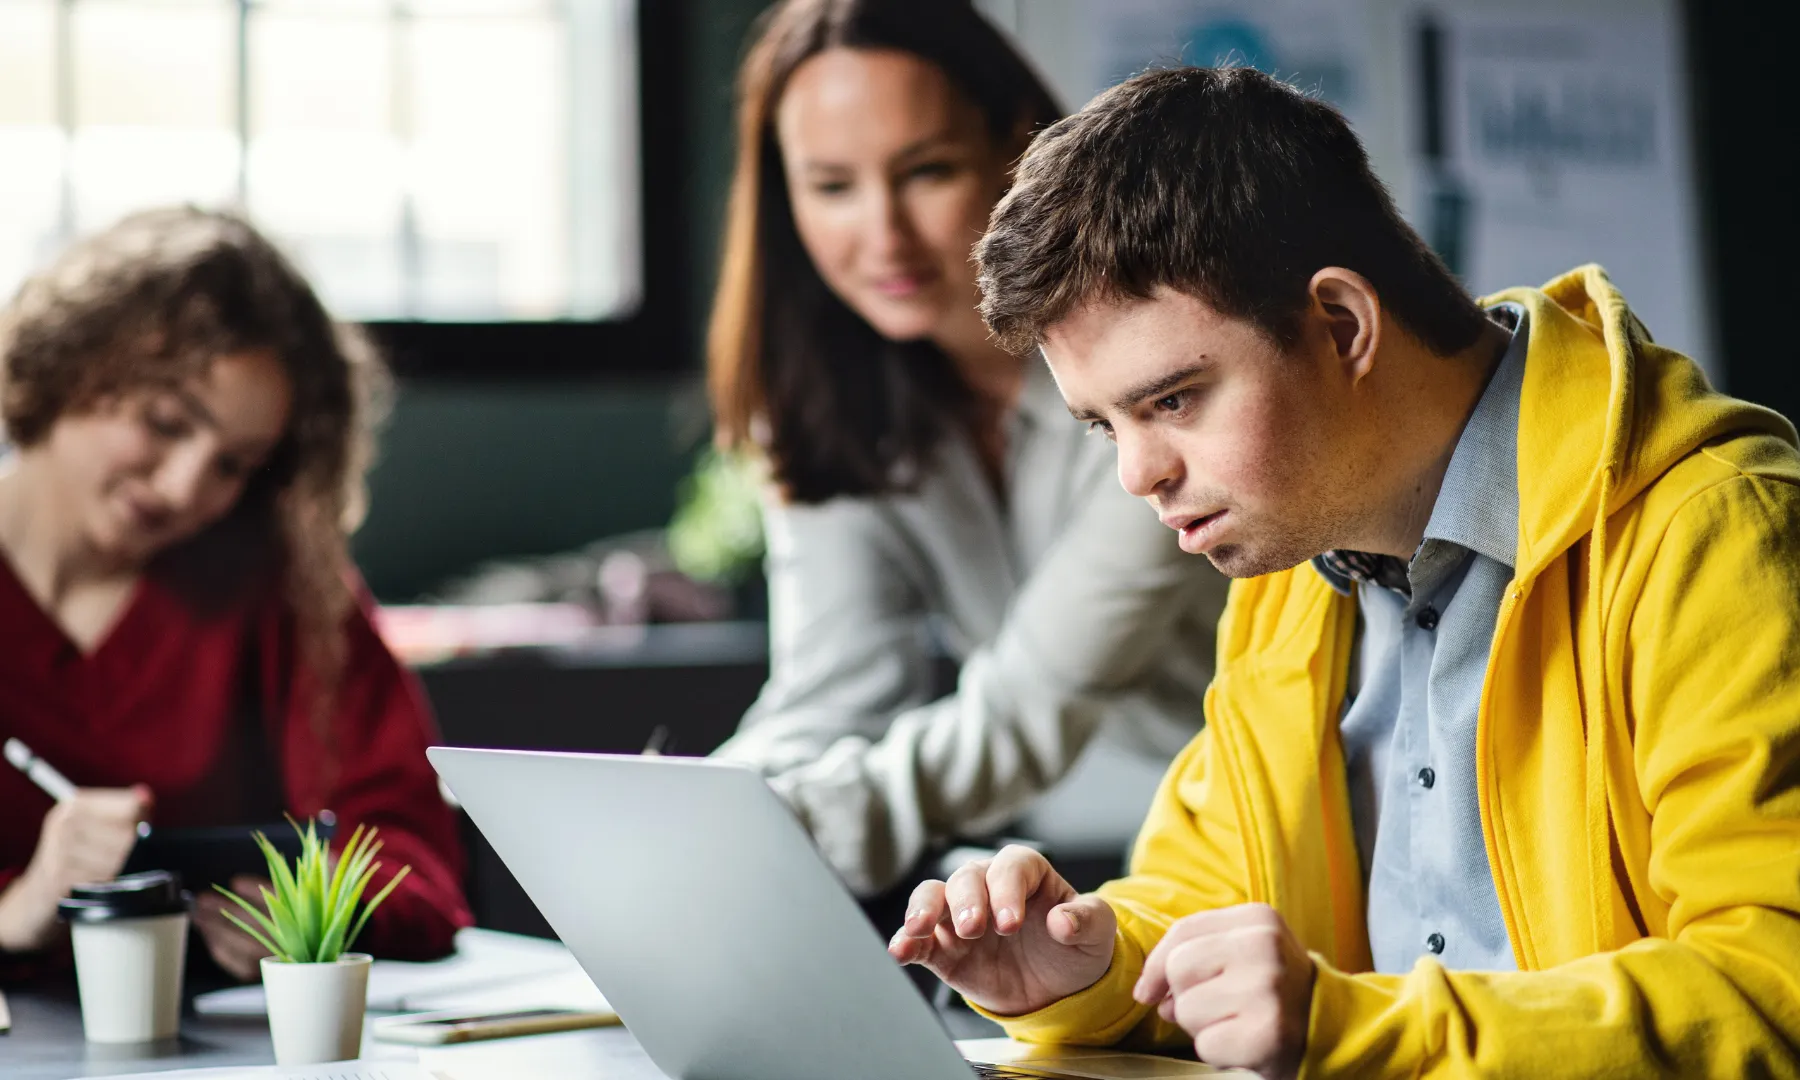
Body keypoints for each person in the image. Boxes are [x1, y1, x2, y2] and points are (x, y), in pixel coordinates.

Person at [887, 66, 1800, 1079]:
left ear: (1344, 326)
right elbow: (1210, 894)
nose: (1137, 473)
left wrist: (1354, 1031)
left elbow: (1774, 991)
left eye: (1175, 401)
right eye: (1105, 424)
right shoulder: (1288, 564)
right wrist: (1084, 963)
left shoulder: (1715, 531)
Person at [706, 0, 1230, 899]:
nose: (882, 236)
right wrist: (694, 815)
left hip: (1283, 830)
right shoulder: (825, 400)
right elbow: (831, 695)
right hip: (1121, 856)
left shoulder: (1151, 366)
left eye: (928, 172)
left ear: (1021, 152)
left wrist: (768, 837)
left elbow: (1031, 707)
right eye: (832, 186)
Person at [0, 207, 471, 983]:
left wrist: (307, 914)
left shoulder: (281, 588)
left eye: (233, 465)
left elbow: (414, 857)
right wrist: (18, 906)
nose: (185, 487)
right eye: (163, 422)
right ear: (69, 365)